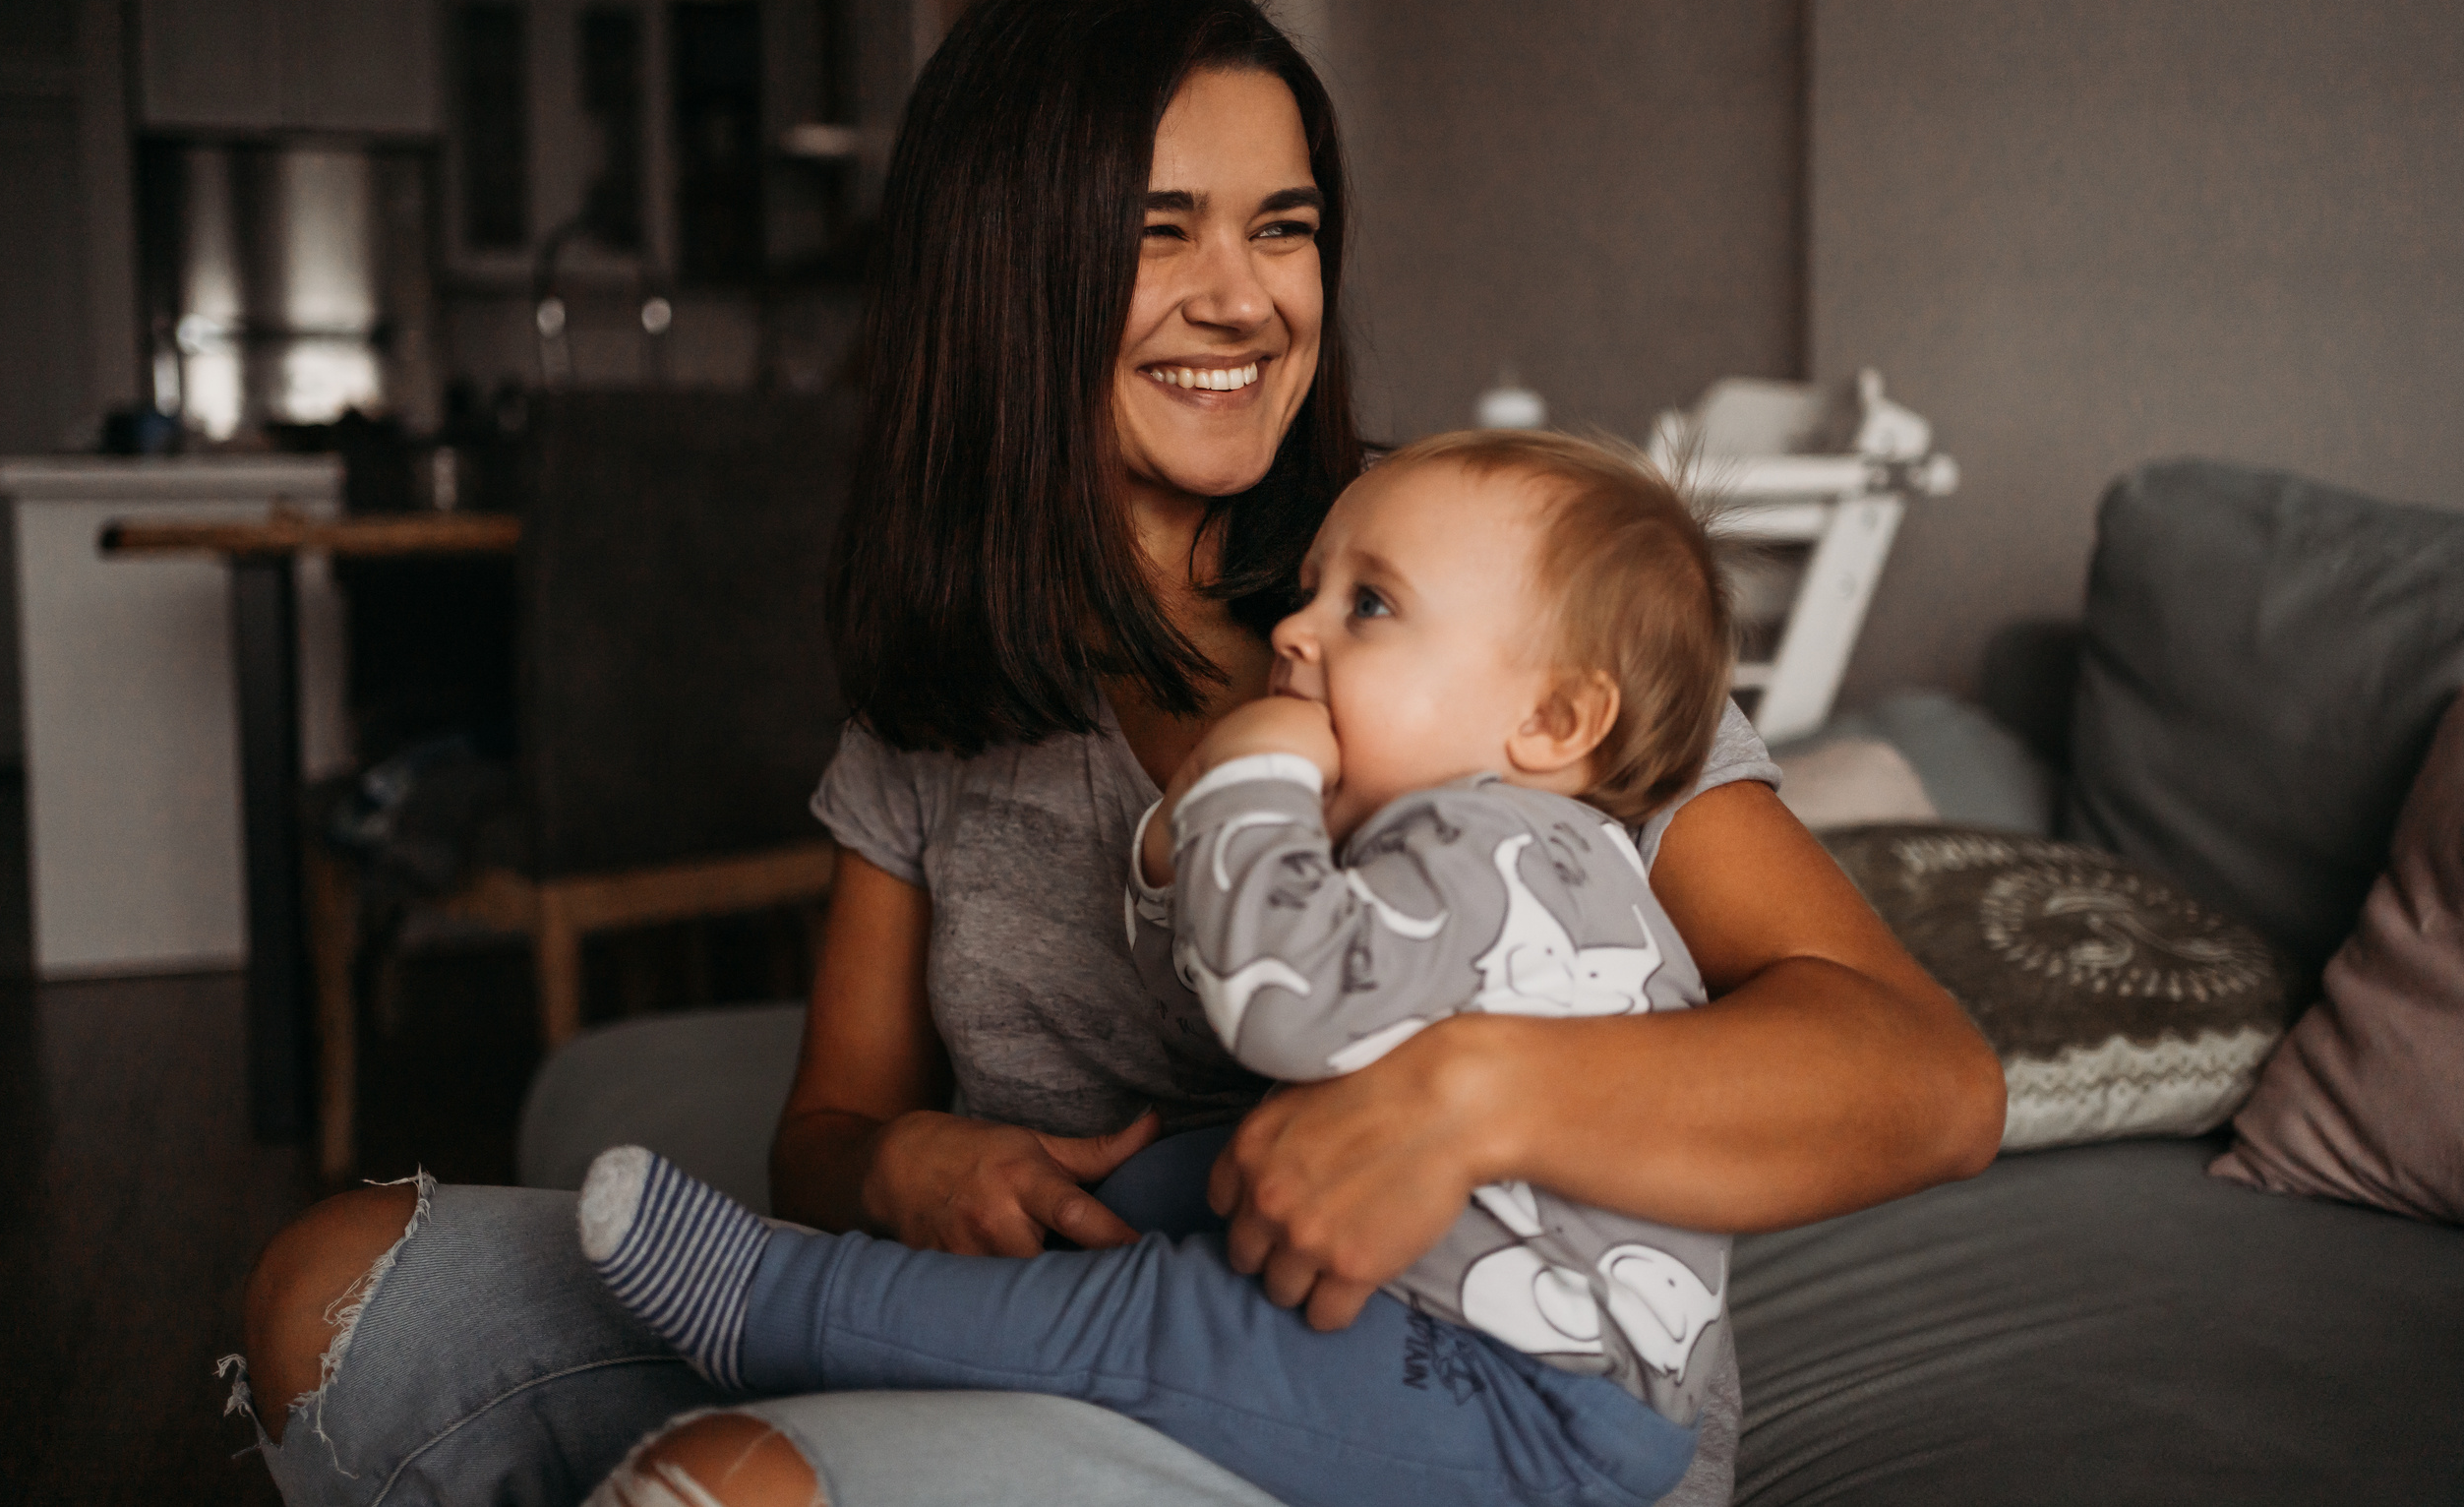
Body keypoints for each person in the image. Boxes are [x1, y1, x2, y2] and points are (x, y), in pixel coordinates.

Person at [239, 0, 2004, 1507]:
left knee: (736, 1484)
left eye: (1282, 227)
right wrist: (905, 1162)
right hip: (1044, 1330)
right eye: (1159, 232)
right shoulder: (943, 695)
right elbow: (828, 1129)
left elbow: (1925, 1079)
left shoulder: (1490, 592)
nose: (1244, 296)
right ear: (1006, 272)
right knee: (342, 1289)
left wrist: (1471, 1093)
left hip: (1428, 1418)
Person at [577, 430, 1745, 1507]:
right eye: (1311, 592)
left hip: (1511, 1392)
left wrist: (1247, 780)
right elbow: (1229, 966)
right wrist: (1175, 846)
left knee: (1160, 1313)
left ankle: (780, 1305)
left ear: (1554, 719)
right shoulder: (1532, 851)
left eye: (1370, 605)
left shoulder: (1482, 845)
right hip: (1521, 1354)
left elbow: (1278, 1007)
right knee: (1188, 1179)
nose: (1295, 633)